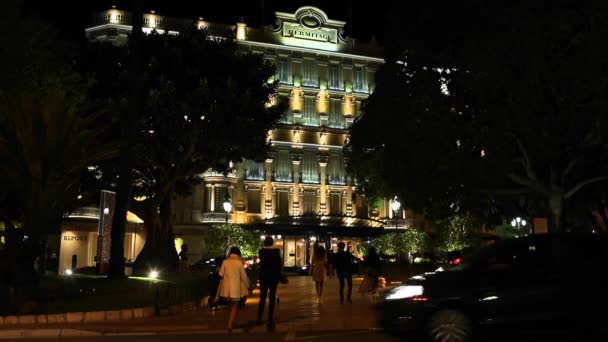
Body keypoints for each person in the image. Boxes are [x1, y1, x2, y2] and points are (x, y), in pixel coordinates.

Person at [218, 246, 249, 332]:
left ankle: (232, 321)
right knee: (234, 306)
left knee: (231, 306)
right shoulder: (239, 262)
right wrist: (248, 285)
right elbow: (244, 276)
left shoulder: (225, 261)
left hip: (226, 289)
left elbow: (220, 274)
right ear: (238, 253)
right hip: (235, 288)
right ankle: (230, 324)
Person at [257, 236, 282, 329]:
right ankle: (270, 316)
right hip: (273, 277)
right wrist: (280, 276)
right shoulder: (276, 252)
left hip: (264, 276)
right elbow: (279, 265)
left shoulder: (261, 252)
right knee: (272, 297)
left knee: (262, 297)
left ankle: (259, 317)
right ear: (272, 243)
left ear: (265, 243)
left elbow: (261, 264)